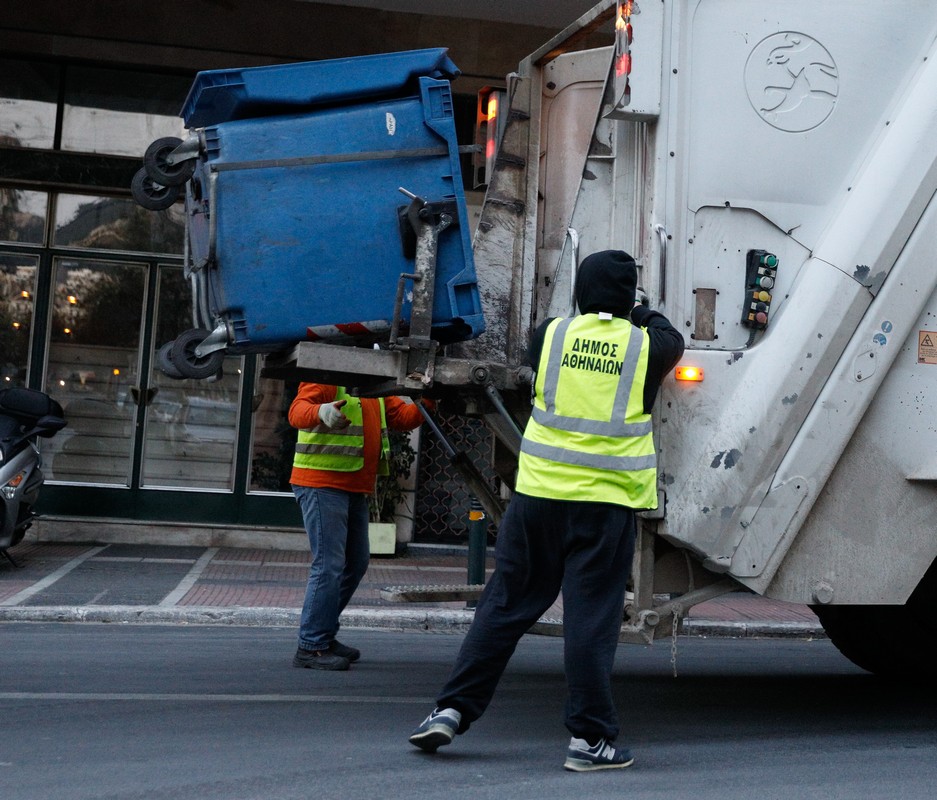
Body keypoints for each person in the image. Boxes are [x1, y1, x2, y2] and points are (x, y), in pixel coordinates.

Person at [409, 250, 684, 770]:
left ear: (580, 292)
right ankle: (588, 741)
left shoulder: (550, 335)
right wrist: (640, 310)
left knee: (505, 605)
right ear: (628, 299)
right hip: (604, 506)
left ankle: (448, 711)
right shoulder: (647, 347)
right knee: (590, 621)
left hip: (537, 498)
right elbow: (668, 332)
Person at [289, 383, 428, 671]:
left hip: (352, 485)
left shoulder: (372, 383)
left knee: (356, 562)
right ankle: (311, 645)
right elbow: (296, 412)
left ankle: (322, 634)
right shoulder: (328, 374)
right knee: (329, 565)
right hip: (322, 483)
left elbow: (403, 416)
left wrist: (431, 399)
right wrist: (321, 411)